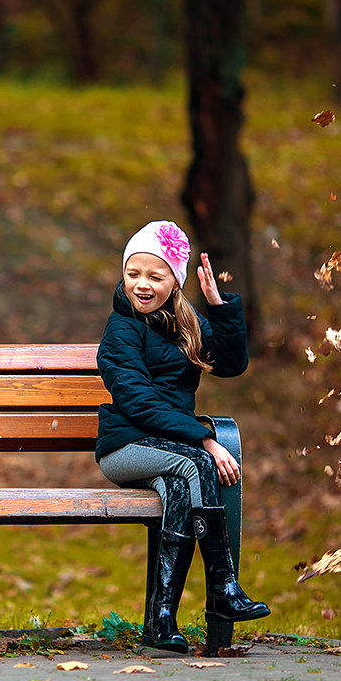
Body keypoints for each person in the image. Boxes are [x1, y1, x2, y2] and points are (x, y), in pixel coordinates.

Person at [95, 220, 269, 654]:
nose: (142, 285)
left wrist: (218, 305)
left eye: (155, 276)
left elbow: (231, 364)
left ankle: (160, 621)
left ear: (175, 281)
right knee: (198, 463)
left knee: (178, 488)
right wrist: (205, 439)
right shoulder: (122, 331)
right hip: (125, 448)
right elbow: (140, 405)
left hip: (166, 451)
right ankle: (224, 589)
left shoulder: (184, 323)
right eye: (133, 274)